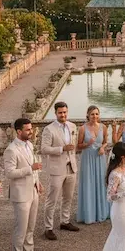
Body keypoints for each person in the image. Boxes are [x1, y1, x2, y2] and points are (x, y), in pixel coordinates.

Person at [4, 118, 47, 251]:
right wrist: (30, 169)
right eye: (28, 130)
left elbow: (34, 168)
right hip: (21, 194)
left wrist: (38, 182)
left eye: (31, 129)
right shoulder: (11, 150)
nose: (31, 132)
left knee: (31, 226)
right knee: (20, 229)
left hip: (33, 190)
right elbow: (10, 173)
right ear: (19, 131)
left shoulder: (29, 145)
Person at [40, 102, 79, 239]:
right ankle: (48, 227)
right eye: (60, 112)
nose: (63, 115)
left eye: (65, 112)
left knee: (68, 197)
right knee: (52, 199)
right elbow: (44, 149)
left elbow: (73, 146)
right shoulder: (49, 129)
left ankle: (65, 221)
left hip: (71, 167)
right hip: (57, 168)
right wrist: (62, 149)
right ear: (55, 113)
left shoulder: (72, 126)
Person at [76, 106, 110, 224]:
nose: (95, 116)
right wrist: (87, 144)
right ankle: (89, 214)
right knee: (89, 183)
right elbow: (78, 146)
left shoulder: (103, 127)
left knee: (101, 183)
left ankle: (101, 212)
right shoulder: (82, 128)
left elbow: (106, 142)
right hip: (88, 158)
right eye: (92, 114)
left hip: (100, 158)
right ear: (88, 115)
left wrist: (102, 147)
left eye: (96, 114)